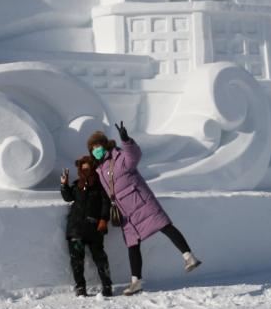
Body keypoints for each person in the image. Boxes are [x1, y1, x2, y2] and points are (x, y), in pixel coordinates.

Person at [90, 122, 200, 296]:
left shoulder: (119, 156)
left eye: (98, 145)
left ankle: (189, 257)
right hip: (125, 213)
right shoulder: (99, 169)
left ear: (104, 145)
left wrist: (126, 141)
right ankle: (136, 282)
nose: (96, 149)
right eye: (93, 147)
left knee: (165, 226)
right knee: (132, 245)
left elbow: (134, 156)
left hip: (141, 202)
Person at [59, 155, 114, 297]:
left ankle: (107, 285)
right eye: (83, 169)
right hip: (76, 229)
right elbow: (68, 197)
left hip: (94, 229)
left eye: (88, 169)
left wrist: (103, 220)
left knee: (100, 258)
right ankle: (80, 287)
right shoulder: (77, 184)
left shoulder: (100, 186)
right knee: (76, 260)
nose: (85, 171)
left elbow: (105, 204)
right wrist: (64, 184)